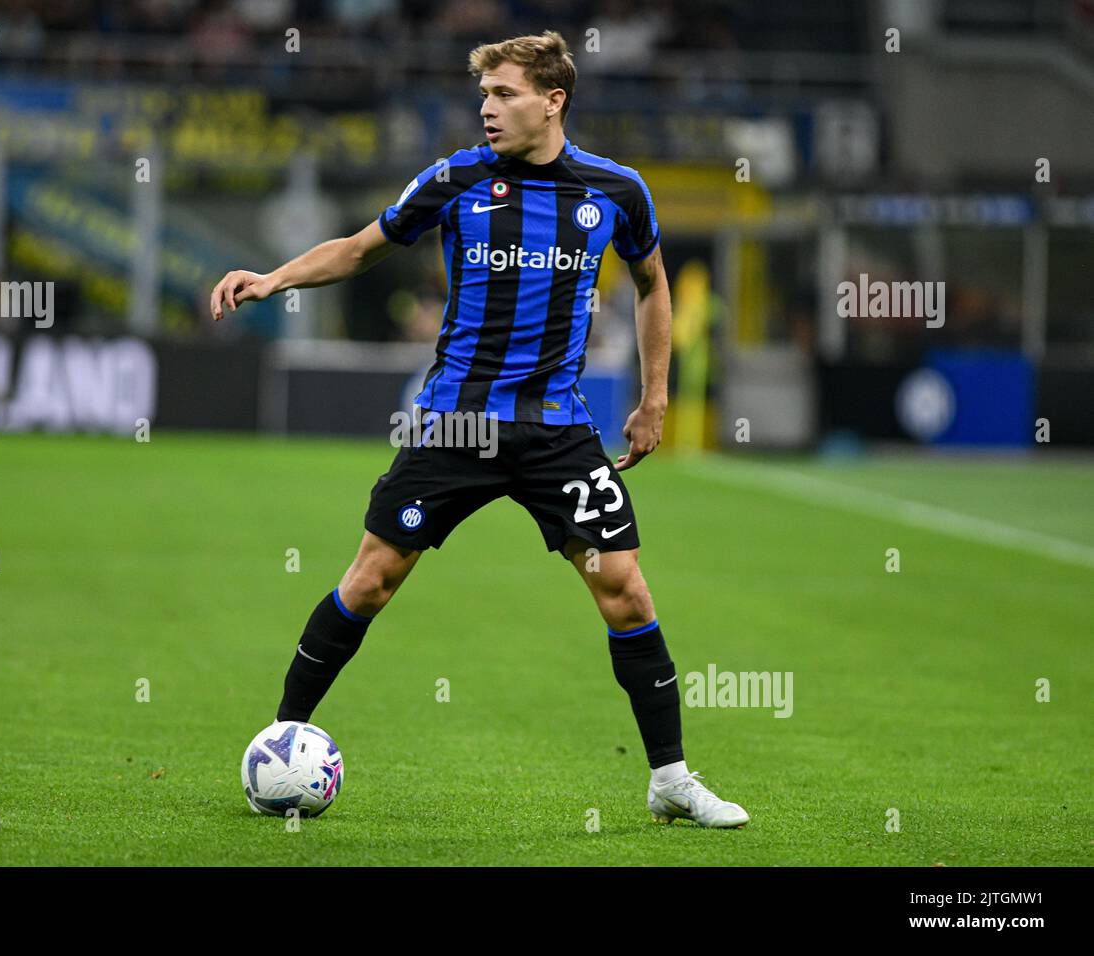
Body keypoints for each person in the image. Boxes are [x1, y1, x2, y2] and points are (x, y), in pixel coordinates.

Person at [211, 30, 748, 828]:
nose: (487, 110)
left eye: (503, 94)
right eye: (484, 95)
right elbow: (360, 250)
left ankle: (669, 777)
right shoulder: (456, 179)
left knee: (626, 593)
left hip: (559, 432)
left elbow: (653, 285)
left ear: (552, 100)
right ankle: (282, 740)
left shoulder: (616, 191)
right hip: (457, 427)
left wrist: (654, 397)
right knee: (369, 582)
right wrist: (274, 277)